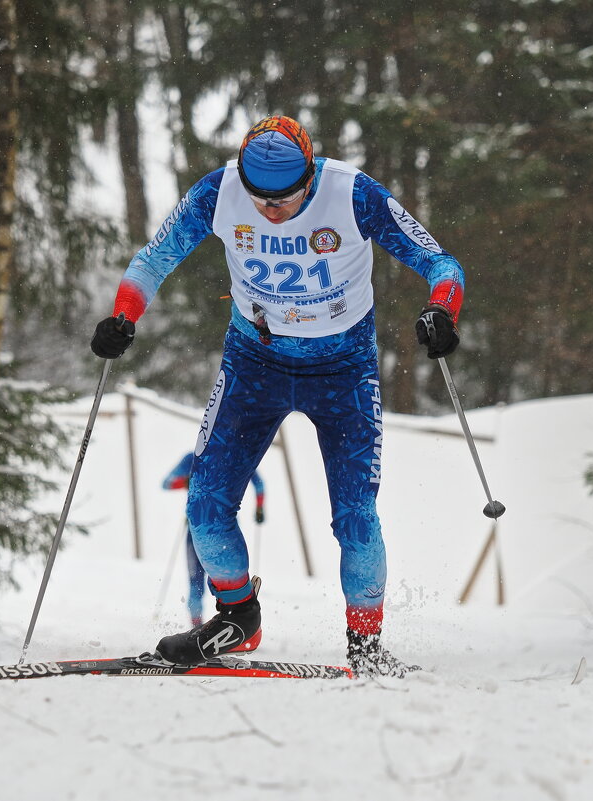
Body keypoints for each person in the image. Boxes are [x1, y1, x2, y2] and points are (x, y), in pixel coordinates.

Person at [91, 115, 464, 676]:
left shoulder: (353, 194)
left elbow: (441, 263)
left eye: (285, 199)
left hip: (344, 369)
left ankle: (366, 647)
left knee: (355, 518)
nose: (270, 211)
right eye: (259, 198)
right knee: (205, 505)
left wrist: (441, 309)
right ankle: (238, 617)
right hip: (254, 362)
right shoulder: (219, 192)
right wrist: (123, 316)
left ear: (310, 176)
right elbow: (153, 260)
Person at [163, 451, 264, 626]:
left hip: (204, 529)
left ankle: (229, 623)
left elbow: (259, 483)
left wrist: (260, 507)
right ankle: (202, 625)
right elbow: (166, 484)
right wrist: (259, 507)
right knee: (214, 581)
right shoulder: (228, 455)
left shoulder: (200, 458)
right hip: (221, 530)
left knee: (210, 581)